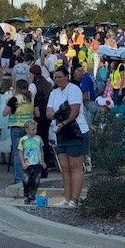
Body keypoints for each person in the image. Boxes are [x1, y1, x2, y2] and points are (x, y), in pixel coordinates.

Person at [46, 66, 90, 208]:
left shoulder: (74, 90)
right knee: (64, 167)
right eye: (55, 77)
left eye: (59, 76)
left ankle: (75, 200)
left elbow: (74, 111)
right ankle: (66, 198)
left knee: (75, 166)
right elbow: (49, 112)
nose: (57, 79)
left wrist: (62, 120)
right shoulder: (54, 93)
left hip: (75, 130)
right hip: (61, 132)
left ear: (67, 76)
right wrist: (59, 115)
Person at [3, 79, 35, 184]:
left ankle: (19, 179)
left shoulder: (14, 99)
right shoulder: (31, 99)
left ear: (17, 88)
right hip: (29, 129)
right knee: (28, 153)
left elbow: (4, 113)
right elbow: (38, 113)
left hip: (16, 128)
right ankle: (29, 177)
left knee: (17, 154)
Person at [28, 65, 52, 177]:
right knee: (45, 140)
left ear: (32, 74)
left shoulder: (33, 86)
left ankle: (36, 167)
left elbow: (30, 100)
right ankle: (45, 167)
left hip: (37, 115)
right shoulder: (47, 84)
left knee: (36, 141)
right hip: (46, 114)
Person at [18, 120, 46, 204]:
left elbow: (41, 150)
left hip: (37, 163)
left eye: (35, 129)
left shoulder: (38, 139)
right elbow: (20, 151)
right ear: (27, 130)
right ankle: (26, 195)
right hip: (27, 164)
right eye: (32, 129)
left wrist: (43, 161)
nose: (35, 131)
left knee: (36, 181)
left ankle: (32, 196)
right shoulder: (23, 139)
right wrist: (23, 163)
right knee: (26, 180)